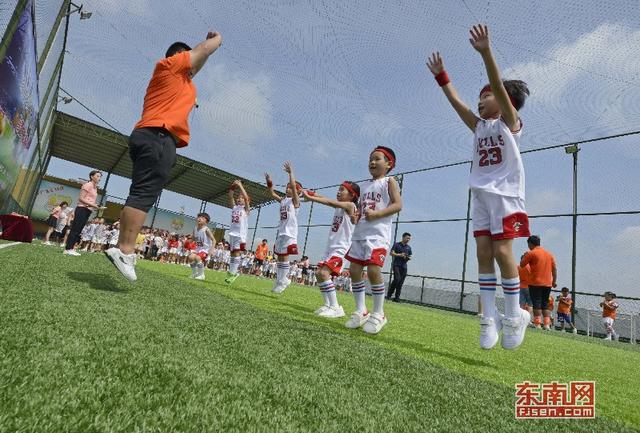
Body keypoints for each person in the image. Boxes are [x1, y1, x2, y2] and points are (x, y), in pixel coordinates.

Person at [427, 24, 531, 350]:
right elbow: (457, 103)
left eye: (485, 96)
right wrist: (442, 77)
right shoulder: (479, 127)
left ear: (504, 102)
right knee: (483, 254)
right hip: (481, 196)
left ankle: (515, 315)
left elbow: (499, 86)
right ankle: (489, 317)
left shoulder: (510, 124)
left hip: (507, 197)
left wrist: (486, 51)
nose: (481, 101)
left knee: (503, 252)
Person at [105, 31, 223, 282]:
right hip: (159, 134)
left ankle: (122, 248)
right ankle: (125, 250)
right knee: (144, 193)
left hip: (151, 134)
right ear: (180, 56)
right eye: (188, 56)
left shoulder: (181, 80)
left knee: (139, 191)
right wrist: (217, 39)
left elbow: (198, 63)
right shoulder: (170, 65)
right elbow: (203, 50)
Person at [344, 146, 402, 334]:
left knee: (374, 270)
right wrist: (356, 217)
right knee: (354, 270)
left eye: (377, 159)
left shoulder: (389, 181)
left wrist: (377, 214)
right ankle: (361, 310)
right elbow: (361, 210)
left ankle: (379, 313)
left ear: (389, 164)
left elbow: (398, 205)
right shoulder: (364, 186)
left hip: (378, 235)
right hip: (360, 233)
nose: (373, 162)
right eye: (371, 159)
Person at [302, 181, 359, 318]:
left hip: (341, 248)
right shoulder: (340, 207)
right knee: (318, 273)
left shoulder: (350, 205)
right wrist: (313, 194)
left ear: (352, 195)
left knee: (324, 274)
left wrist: (311, 198)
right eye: (338, 189)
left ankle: (336, 307)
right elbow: (326, 199)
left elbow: (329, 202)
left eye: (342, 190)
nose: (338, 192)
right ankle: (328, 305)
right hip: (331, 247)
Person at [265, 162, 302, 294]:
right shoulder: (283, 200)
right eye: (286, 188)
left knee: (285, 256)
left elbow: (293, 185)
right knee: (280, 256)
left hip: (289, 232)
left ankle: (283, 279)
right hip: (281, 231)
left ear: (296, 191)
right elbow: (271, 193)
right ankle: (280, 280)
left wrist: (290, 173)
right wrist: (269, 182)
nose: (287, 189)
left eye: (290, 188)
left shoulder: (295, 202)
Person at [64, 171, 106, 256]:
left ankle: (71, 248)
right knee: (75, 229)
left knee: (79, 230)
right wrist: (94, 205)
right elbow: (81, 198)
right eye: (97, 176)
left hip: (87, 210)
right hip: (81, 209)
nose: (99, 178)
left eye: (100, 177)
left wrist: (96, 206)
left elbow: (90, 200)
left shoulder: (95, 188)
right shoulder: (88, 185)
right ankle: (68, 249)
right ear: (91, 176)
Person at [520, 235, 557, 330]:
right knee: (545, 304)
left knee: (536, 303)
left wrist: (525, 256)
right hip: (547, 283)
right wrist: (554, 281)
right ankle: (547, 324)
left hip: (535, 283)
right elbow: (554, 269)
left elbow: (522, 264)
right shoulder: (549, 254)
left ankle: (537, 324)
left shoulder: (531, 253)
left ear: (530, 243)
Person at [225, 180, 251, 284]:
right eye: (238, 198)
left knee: (236, 252)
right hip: (232, 233)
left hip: (240, 234)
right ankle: (232, 272)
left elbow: (246, 198)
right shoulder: (234, 207)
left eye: (242, 198)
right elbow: (230, 196)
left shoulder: (246, 210)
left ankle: (233, 273)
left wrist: (240, 186)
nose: (240, 199)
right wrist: (233, 186)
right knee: (232, 253)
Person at [187, 213, 216, 280]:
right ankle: (194, 273)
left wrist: (210, 252)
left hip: (205, 249)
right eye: (199, 217)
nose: (200, 218)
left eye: (202, 218)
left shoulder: (206, 230)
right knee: (191, 257)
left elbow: (214, 240)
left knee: (197, 258)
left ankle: (201, 275)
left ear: (206, 221)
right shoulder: (195, 228)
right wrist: (189, 241)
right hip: (198, 248)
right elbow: (194, 238)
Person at [386, 232, 412, 302]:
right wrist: (400, 255)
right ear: (403, 237)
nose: (408, 239)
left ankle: (397, 298)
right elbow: (391, 253)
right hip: (396, 265)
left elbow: (410, 256)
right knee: (397, 279)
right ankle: (389, 295)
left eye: (409, 238)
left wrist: (407, 257)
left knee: (400, 282)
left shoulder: (409, 248)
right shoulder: (396, 245)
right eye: (407, 238)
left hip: (404, 267)